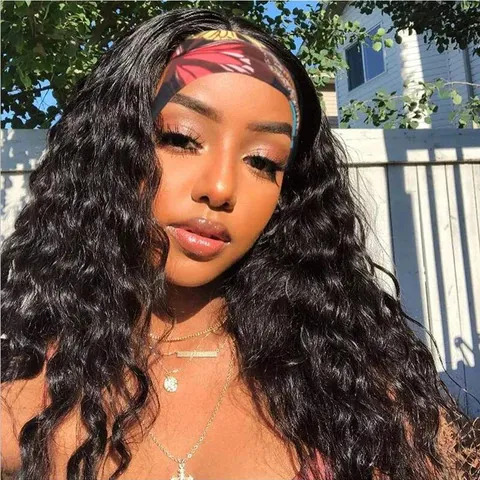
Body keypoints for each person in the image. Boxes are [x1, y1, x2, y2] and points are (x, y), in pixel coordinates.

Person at [1, 7, 479, 480]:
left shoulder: (352, 387)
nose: (222, 188)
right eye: (181, 138)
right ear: (110, 150)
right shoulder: (19, 392)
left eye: (263, 161)